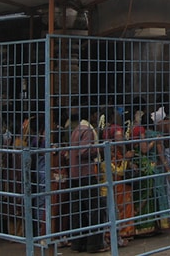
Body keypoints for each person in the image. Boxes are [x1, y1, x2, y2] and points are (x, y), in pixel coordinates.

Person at [69, 103, 109, 253]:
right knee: (96, 208)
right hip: (85, 173)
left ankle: (78, 243)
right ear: (92, 116)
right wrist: (99, 149)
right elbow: (84, 151)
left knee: (79, 210)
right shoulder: (87, 130)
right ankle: (94, 244)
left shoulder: (77, 129)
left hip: (75, 174)